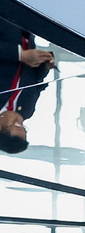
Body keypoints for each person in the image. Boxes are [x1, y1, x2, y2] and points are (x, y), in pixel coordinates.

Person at [0, 22, 54, 156]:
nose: (20, 120)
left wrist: (20, 55)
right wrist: (45, 66)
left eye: (16, 124)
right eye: (24, 127)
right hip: (26, 30)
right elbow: (35, 83)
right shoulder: (27, 111)